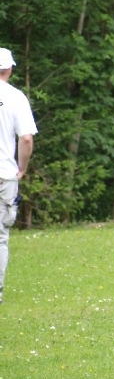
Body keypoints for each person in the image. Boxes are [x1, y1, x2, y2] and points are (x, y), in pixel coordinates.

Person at [0, 48, 38, 304]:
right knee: (0, 236)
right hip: (4, 175)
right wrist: (21, 169)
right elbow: (25, 138)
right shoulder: (16, 97)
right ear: (10, 69)